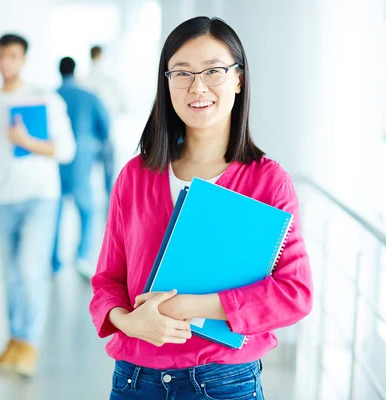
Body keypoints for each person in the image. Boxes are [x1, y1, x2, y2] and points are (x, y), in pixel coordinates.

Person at [89, 17, 313, 399]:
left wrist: (188, 307)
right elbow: (107, 282)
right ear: (167, 81)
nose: (197, 86)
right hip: (133, 382)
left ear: (239, 79)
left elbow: (294, 293)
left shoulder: (267, 182)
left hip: (222, 384)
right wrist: (130, 322)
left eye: (213, 71)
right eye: (182, 73)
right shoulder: (136, 176)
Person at [0, 34, 75, 377]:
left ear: (23, 59)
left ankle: (29, 345)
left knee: (31, 270)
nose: (6, 63)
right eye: (2, 56)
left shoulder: (43, 99)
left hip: (40, 196)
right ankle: (14, 342)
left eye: (13, 56)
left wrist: (25, 141)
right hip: (4, 200)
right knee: (12, 277)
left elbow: (65, 150)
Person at [53, 57, 110, 278]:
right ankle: (81, 257)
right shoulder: (89, 97)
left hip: (54, 164)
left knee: (54, 212)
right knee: (87, 210)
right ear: (75, 71)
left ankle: (54, 262)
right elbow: (105, 129)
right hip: (81, 163)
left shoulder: (50, 97)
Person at [82, 45, 124, 199]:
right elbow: (121, 106)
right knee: (108, 176)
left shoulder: (83, 82)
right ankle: (110, 206)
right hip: (107, 136)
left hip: (89, 137)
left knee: (86, 176)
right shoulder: (110, 82)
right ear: (101, 56)